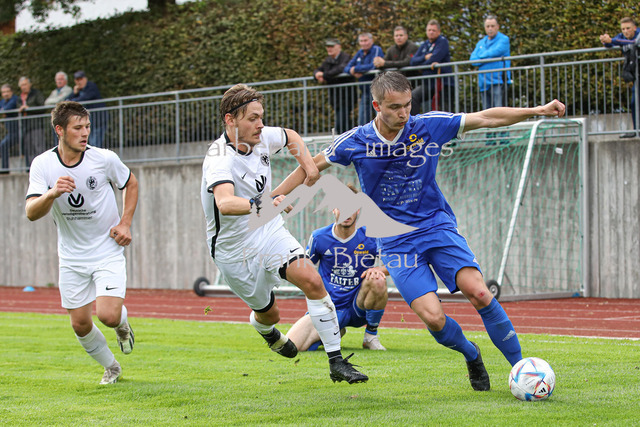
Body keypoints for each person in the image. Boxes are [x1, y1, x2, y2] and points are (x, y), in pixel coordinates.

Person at [273, 71, 566, 391]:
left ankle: (522, 371)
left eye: (408, 105)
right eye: (395, 107)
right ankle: (471, 354)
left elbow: (485, 118)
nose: (404, 113)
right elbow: (311, 166)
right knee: (434, 318)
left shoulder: (427, 125)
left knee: (480, 293)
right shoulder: (355, 140)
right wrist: (276, 198)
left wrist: (536, 110)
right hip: (395, 242)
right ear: (377, 106)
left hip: (436, 226)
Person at [200, 83, 368, 384]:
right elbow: (225, 203)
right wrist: (264, 203)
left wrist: (308, 166)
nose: (260, 124)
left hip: (267, 229)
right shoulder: (219, 157)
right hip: (234, 251)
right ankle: (266, 331)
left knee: (311, 279)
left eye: (261, 117)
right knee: (270, 315)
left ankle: (336, 362)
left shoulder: (262, 136)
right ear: (230, 120)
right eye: (253, 118)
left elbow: (291, 136)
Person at [25, 101, 138, 385]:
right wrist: (52, 194)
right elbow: (31, 212)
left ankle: (122, 325)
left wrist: (125, 223)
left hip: (107, 249)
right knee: (79, 323)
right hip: (71, 257)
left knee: (108, 316)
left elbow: (130, 183)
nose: (85, 133)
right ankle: (111, 367)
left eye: (87, 126)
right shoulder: (43, 164)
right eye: (77, 128)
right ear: (59, 130)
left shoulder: (104, 158)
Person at [286, 185, 389, 352]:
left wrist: (379, 270)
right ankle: (336, 331)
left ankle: (371, 336)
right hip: (329, 308)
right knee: (293, 347)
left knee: (377, 279)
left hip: (358, 307)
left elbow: (395, 263)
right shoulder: (319, 237)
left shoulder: (371, 236)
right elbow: (305, 270)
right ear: (333, 209)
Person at [600, 17, 640, 138]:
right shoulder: (621, 37)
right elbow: (611, 43)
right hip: (636, 75)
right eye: (623, 29)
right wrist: (605, 40)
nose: (625, 31)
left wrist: (613, 40)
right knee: (634, 102)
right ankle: (636, 130)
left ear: (635, 28)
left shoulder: (638, 34)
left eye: (628, 28)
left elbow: (634, 42)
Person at [410, 20, 454, 114]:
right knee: (413, 96)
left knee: (444, 110)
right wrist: (424, 57)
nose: (431, 32)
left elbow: (434, 58)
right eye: (429, 30)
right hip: (428, 82)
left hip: (443, 82)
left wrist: (420, 66)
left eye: (433, 30)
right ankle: (414, 122)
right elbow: (413, 61)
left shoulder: (442, 42)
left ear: (439, 31)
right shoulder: (425, 45)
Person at [314, 38, 355, 134]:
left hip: (346, 95)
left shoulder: (346, 57)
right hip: (335, 96)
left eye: (332, 46)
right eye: (328, 47)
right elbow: (318, 69)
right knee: (343, 121)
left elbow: (340, 69)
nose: (329, 49)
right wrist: (317, 74)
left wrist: (324, 75)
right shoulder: (328, 60)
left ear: (339, 47)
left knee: (342, 122)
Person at [470, 15, 511, 110]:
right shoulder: (481, 43)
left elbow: (495, 51)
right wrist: (486, 57)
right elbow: (473, 60)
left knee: (499, 111)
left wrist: (481, 57)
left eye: (492, 26)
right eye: (488, 26)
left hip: (499, 81)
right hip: (484, 83)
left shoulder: (504, 39)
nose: (490, 29)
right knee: (486, 113)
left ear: (498, 27)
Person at [344, 33, 384, 126]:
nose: (363, 43)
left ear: (371, 41)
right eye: (361, 41)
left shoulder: (376, 49)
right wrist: (352, 70)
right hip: (365, 91)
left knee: (380, 117)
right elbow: (347, 68)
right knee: (362, 120)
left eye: (365, 40)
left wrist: (357, 69)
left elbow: (374, 65)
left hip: (377, 90)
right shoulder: (360, 53)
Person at [67, 71, 107, 148]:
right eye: (77, 80)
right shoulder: (78, 90)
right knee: (90, 142)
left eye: (81, 79)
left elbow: (84, 98)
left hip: (98, 119)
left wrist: (72, 101)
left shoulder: (91, 86)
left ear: (85, 79)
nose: (79, 82)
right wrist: (74, 93)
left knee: (95, 143)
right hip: (88, 121)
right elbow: (67, 100)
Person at [16, 76, 46, 167]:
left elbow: (42, 107)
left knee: (39, 147)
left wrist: (29, 108)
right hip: (26, 126)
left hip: (36, 125)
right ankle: (31, 168)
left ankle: (43, 167)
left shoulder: (36, 93)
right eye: (22, 85)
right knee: (29, 149)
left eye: (25, 84)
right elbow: (18, 107)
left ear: (29, 84)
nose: (24, 87)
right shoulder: (19, 97)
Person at [0, 84, 20, 173]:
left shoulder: (15, 99)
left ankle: (5, 169)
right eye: (4, 92)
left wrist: (4, 111)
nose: (6, 94)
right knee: (3, 145)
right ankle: (5, 169)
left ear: (11, 92)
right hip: (10, 131)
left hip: (18, 130)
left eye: (7, 92)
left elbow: (7, 109)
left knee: (3, 145)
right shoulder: (3, 101)